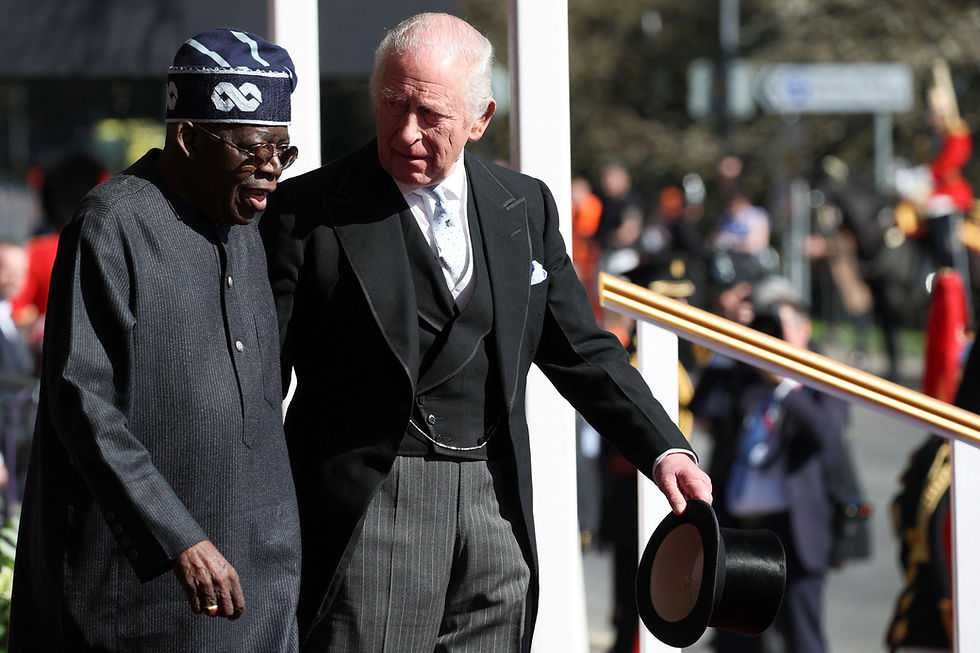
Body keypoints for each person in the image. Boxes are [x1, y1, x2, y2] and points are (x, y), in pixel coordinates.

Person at [259, 12, 713, 653]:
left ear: (480, 119)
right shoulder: (306, 212)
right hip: (371, 509)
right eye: (393, 104)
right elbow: (257, 382)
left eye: (431, 114)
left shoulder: (523, 206)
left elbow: (581, 349)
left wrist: (666, 450)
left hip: (496, 505)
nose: (407, 130)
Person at [10, 28, 302, 652]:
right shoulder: (110, 225)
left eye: (283, 150)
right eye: (253, 150)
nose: (271, 171)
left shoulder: (247, 225)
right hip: (145, 600)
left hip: (260, 583)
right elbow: (80, 401)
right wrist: (179, 537)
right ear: (187, 139)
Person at [694, 276, 848, 653]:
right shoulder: (743, 375)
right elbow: (704, 411)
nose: (771, 340)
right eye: (765, 330)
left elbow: (828, 433)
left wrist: (784, 383)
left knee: (802, 638)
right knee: (736, 637)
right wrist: (730, 342)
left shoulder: (820, 378)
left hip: (794, 531)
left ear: (803, 330)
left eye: (779, 329)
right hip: (741, 529)